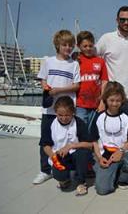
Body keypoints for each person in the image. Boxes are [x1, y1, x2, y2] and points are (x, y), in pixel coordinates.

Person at [33, 30, 81, 185]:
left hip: (67, 110)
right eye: (64, 45)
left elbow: (76, 85)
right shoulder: (48, 61)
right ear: (57, 45)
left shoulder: (74, 64)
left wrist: (58, 91)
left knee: (68, 138)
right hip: (50, 109)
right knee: (46, 141)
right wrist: (48, 90)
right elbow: (43, 80)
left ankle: (66, 166)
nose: (68, 48)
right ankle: (45, 170)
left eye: (70, 45)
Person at [89, 81, 128, 195]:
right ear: (106, 100)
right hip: (105, 154)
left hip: (122, 152)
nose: (114, 104)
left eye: (118, 100)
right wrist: (99, 157)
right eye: (111, 100)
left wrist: (121, 151)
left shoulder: (126, 117)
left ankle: (122, 178)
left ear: (122, 100)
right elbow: (94, 141)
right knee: (102, 190)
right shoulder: (99, 117)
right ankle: (109, 172)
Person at [96, 6, 128, 118]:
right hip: (111, 97)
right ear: (117, 20)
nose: (126, 22)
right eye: (122, 19)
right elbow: (90, 55)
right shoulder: (107, 38)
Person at [39, 96, 92, 196]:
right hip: (59, 156)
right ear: (55, 112)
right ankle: (65, 180)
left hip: (75, 154)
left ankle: (81, 182)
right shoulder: (50, 124)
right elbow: (45, 145)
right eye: (60, 115)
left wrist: (70, 146)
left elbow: (89, 144)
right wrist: (53, 156)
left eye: (67, 115)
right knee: (60, 175)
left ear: (73, 112)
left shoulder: (78, 123)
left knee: (83, 153)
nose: (63, 118)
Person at [76, 31, 108, 124]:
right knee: (81, 131)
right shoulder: (76, 61)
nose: (88, 48)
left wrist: (102, 102)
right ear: (79, 46)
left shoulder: (100, 61)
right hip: (79, 105)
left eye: (90, 46)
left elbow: (104, 81)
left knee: (93, 133)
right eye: (85, 46)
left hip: (96, 105)